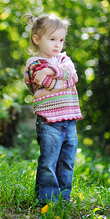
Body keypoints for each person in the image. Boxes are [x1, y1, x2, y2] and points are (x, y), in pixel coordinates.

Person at [23, 13, 82, 204]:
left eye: (61, 40)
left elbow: (73, 75)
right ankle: (47, 200)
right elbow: (44, 81)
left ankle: (64, 198)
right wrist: (62, 79)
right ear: (37, 39)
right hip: (48, 120)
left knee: (67, 162)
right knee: (48, 162)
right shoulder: (33, 64)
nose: (58, 44)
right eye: (52, 39)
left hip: (69, 119)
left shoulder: (64, 59)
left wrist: (52, 71)